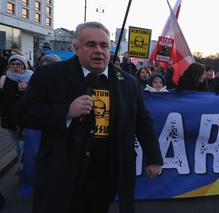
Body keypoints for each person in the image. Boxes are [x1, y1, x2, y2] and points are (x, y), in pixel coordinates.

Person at [14, 21, 163, 213]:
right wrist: (66, 111)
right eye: (91, 45)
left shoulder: (128, 82)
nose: (99, 51)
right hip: (61, 172)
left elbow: (142, 121)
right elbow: (23, 113)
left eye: (104, 45)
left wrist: (153, 157)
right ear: (76, 48)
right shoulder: (50, 75)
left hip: (106, 174)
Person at [0, 54, 33, 159]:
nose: (15, 66)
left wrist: (26, 90)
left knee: (23, 144)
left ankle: (24, 166)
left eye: (18, 64)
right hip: (10, 118)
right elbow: (4, 99)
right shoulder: (4, 79)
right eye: (12, 64)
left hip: (26, 118)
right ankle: (21, 161)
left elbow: (36, 97)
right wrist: (16, 90)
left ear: (24, 66)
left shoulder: (32, 77)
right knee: (17, 145)